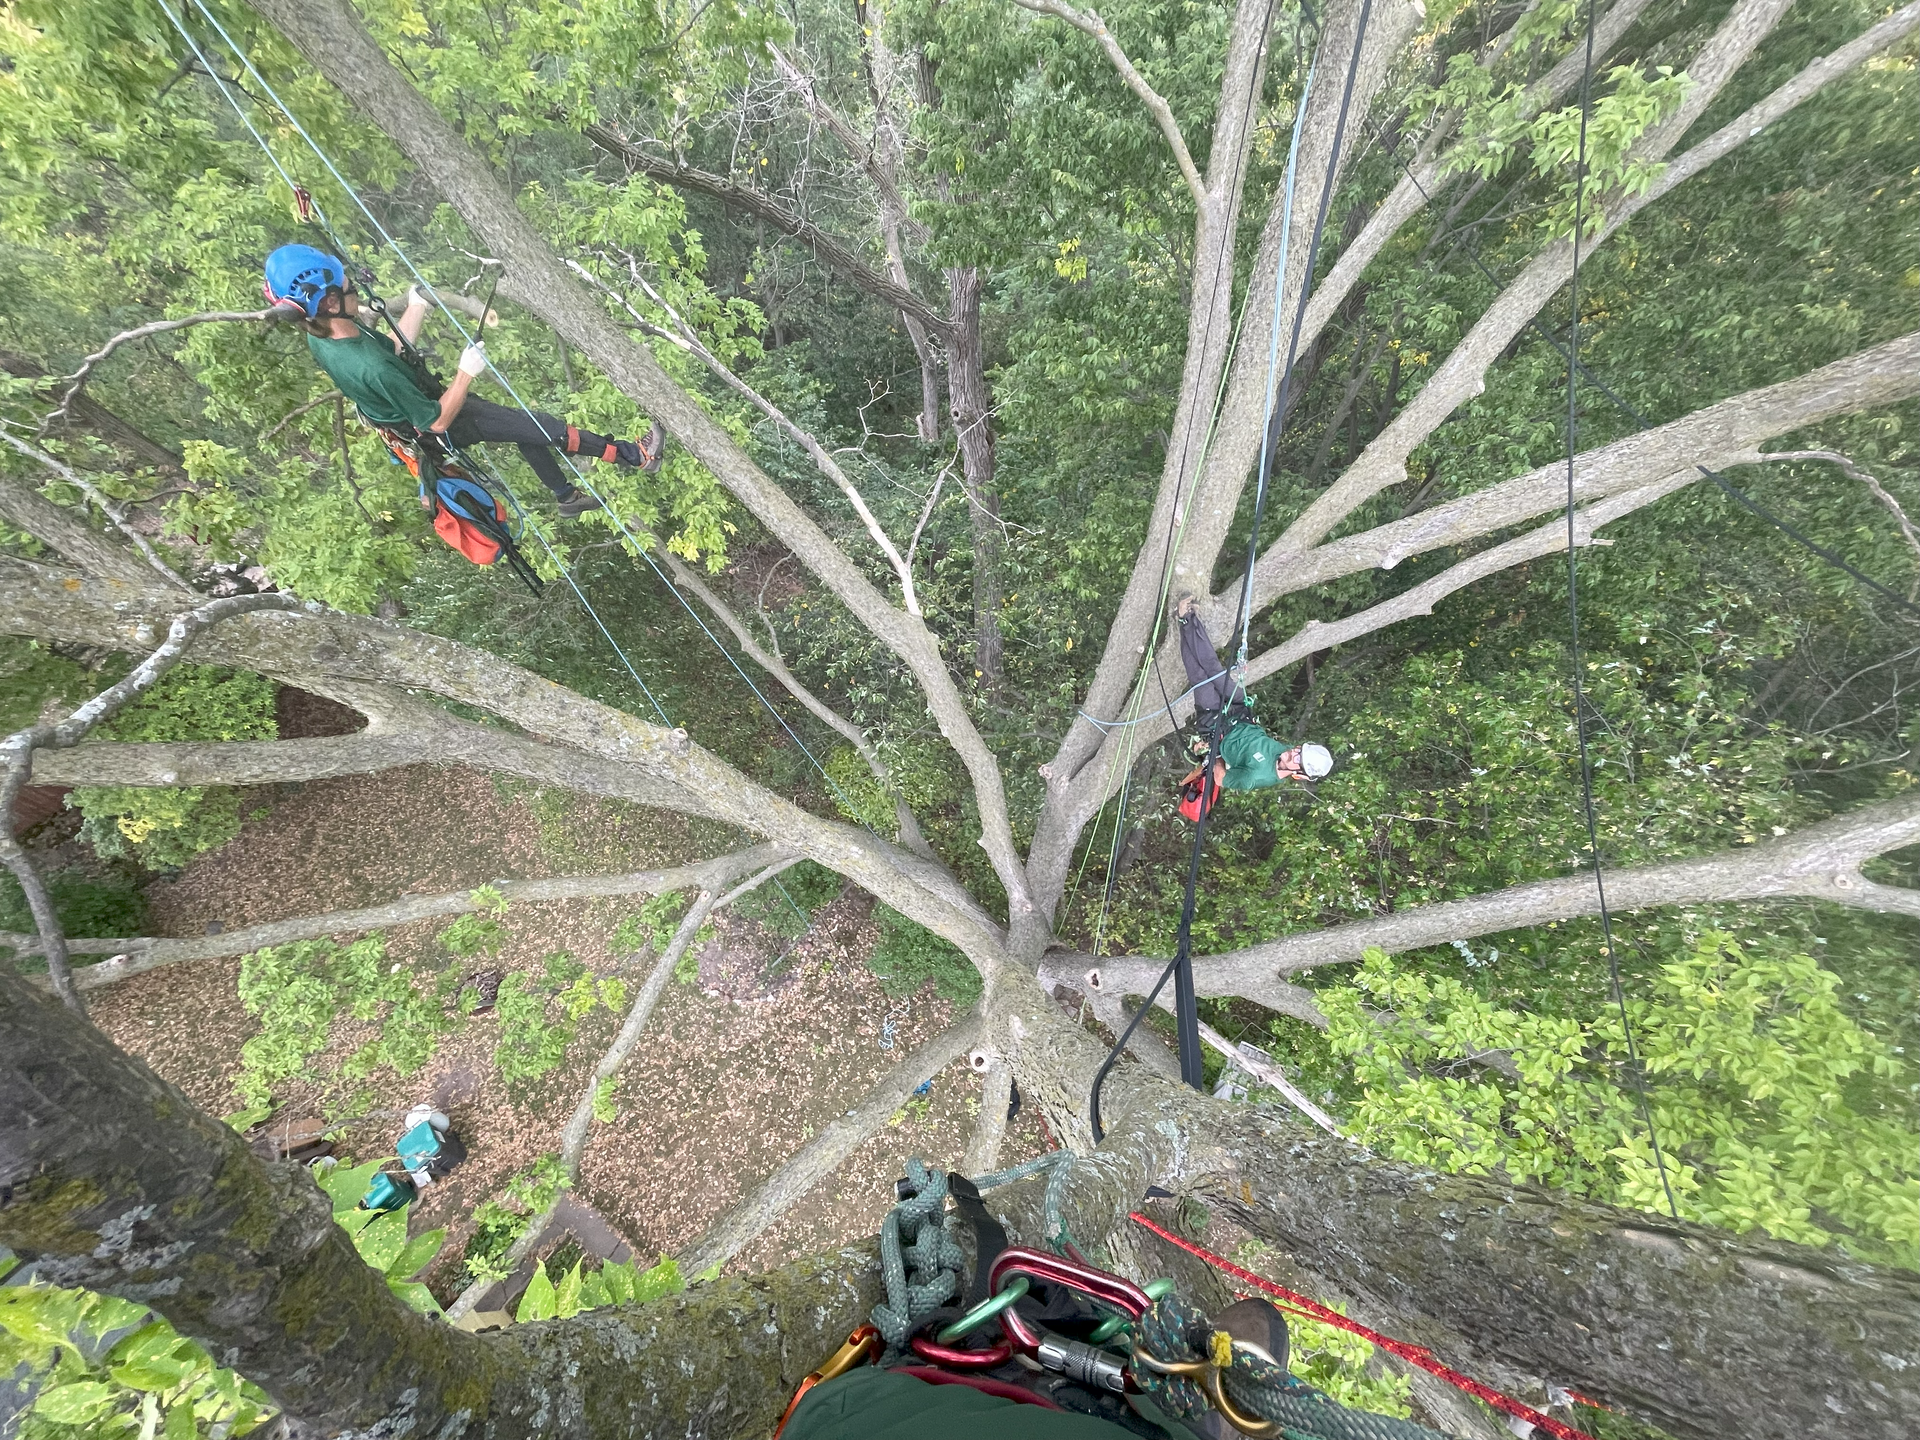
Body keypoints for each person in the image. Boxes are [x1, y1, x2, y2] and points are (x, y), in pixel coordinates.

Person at [264, 244, 663, 518]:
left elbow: (389, 348)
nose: (357, 288)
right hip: (441, 423)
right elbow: (434, 421)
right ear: (330, 302)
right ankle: (637, 457)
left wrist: (417, 306)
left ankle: (566, 497)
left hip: (424, 408)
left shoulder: (328, 338)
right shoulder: (370, 368)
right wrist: (465, 372)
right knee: (546, 428)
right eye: (350, 286)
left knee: (529, 429)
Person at [1174, 595, 1331, 803]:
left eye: (1296, 758)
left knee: (1200, 678)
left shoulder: (1256, 777)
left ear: (1299, 774)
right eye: (1298, 750)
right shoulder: (1286, 753)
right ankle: (1190, 616)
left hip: (1216, 728)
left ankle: (1183, 620)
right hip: (1240, 711)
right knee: (1214, 669)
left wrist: (1213, 755)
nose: (1292, 752)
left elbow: (1220, 779)